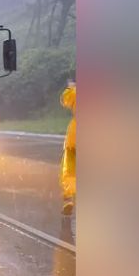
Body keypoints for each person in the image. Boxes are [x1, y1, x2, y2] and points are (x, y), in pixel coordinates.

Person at [60, 80, 76, 215]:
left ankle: (69, 199)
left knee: (70, 170)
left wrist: (71, 87)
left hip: (75, 137)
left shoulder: (75, 92)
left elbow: (65, 101)